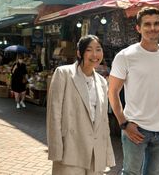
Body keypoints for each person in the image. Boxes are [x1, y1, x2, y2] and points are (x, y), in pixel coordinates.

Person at [108, 6, 159, 175]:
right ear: (138, 28)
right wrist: (124, 124)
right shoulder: (125, 56)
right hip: (135, 128)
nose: (152, 28)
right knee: (131, 173)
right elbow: (112, 92)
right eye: (147, 24)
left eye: (156, 23)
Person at [47, 35, 115, 175]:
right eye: (89, 50)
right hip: (71, 148)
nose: (95, 55)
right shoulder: (64, 74)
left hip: (95, 151)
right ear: (79, 53)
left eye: (98, 49)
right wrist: (56, 150)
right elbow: (54, 114)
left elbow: (103, 121)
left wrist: (107, 152)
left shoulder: (102, 82)